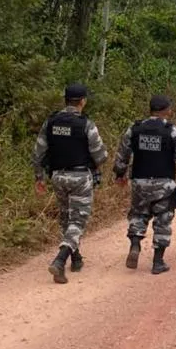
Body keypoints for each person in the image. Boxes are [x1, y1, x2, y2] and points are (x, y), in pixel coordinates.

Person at [32, 83, 108, 284]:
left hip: (57, 177)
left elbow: (38, 152)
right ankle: (60, 260)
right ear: (82, 101)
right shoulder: (86, 124)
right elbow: (100, 155)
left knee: (66, 218)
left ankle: (76, 259)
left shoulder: (51, 122)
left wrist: (39, 177)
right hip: (80, 177)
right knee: (78, 221)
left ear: (65, 100)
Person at [113, 95, 176, 274]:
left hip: (139, 182)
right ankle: (158, 262)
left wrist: (120, 173)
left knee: (138, 215)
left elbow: (122, 156)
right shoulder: (172, 131)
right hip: (164, 184)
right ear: (166, 110)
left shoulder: (134, 129)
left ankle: (135, 246)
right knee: (163, 220)